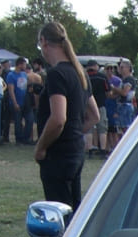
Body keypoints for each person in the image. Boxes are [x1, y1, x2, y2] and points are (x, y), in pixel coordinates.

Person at [35, 20, 94, 208]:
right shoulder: (80, 73)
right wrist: (75, 132)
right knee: (74, 212)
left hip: (58, 155)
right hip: (75, 151)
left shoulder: (56, 74)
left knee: (59, 215)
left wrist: (41, 147)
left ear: (44, 42)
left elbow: (58, 118)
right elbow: (94, 116)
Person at [85, 60, 109, 157]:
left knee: (89, 128)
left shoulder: (84, 77)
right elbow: (107, 91)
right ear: (95, 66)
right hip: (100, 105)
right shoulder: (102, 77)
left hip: (87, 105)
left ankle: (90, 150)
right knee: (102, 128)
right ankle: (102, 150)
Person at [6, 56, 32, 144]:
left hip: (25, 101)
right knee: (18, 121)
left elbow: (26, 85)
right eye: (24, 64)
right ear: (20, 64)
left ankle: (26, 138)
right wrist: (15, 103)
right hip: (17, 101)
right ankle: (19, 139)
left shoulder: (24, 74)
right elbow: (11, 90)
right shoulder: (11, 75)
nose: (25, 66)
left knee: (30, 119)